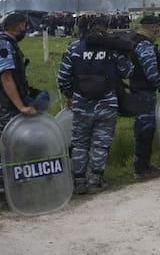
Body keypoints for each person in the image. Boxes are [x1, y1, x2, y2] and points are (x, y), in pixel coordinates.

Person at [56, 16, 133, 194]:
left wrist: (71, 95)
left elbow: (63, 78)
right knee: (101, 142)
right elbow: (127, 71)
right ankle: (95, 180)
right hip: (107, 103)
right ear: (105, 28)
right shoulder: (113, 49)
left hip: (81, 103)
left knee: (80, 143)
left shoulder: (74, 48)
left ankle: (79, 181)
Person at [0, 12, 42, 203]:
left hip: (11, 104)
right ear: (18, 26)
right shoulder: (3, 45)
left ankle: (16, 192)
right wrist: (21, 107)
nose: (26, 29)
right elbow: (6, 77)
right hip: (7, 106)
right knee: (10, 150)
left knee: (16, 148)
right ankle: (7, 195)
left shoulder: (9, 44)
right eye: (25, 25)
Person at [128, 15, 160, 178]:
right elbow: (150, 71)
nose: (158, 30)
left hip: (139, 90)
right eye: (157, 27)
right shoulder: (144, 44)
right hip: (143, 92)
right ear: (152, 27)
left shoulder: (137, 41)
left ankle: (143, 165)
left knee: (143, 130)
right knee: (145, 130)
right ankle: (142, 168)